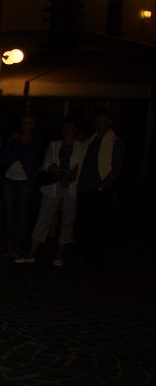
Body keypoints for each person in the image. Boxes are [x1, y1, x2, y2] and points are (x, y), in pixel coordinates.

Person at [16, 118, 85, 266]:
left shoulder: (81, 146)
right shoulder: (54, 145)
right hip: (53, 186)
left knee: (68, 219)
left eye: (69, 127)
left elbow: (81, 166)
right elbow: (47, 164)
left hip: (71, 188)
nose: (66, 130)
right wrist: (64, 171)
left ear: (75, 130)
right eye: (64, 127)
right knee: (44, 218)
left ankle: (60, 254)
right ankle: (32, 252)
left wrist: (70, 176)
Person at [75, 110, 124, 269]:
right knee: (84, 224)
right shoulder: (92, 140)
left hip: (98, 190)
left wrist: (103, 186)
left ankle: (96, 258)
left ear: (109, 122)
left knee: (97, 225)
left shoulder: (115, 142)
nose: (99, 124)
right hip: (84, 187)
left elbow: (116, 168)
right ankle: (86, 255)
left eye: (102, 121)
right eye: (97, 121)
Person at [0, 114, 44, 258]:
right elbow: (6, 157)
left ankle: (18, 246)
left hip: (26, 180)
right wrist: (17, 148)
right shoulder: (12, 139)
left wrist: (19, 151)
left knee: (23, 214)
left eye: (29, 123)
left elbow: (31, 158)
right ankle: (9, 245)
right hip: (10, 179)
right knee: (9, 214)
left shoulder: (36, 141)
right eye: (24, 122)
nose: (26, 125)